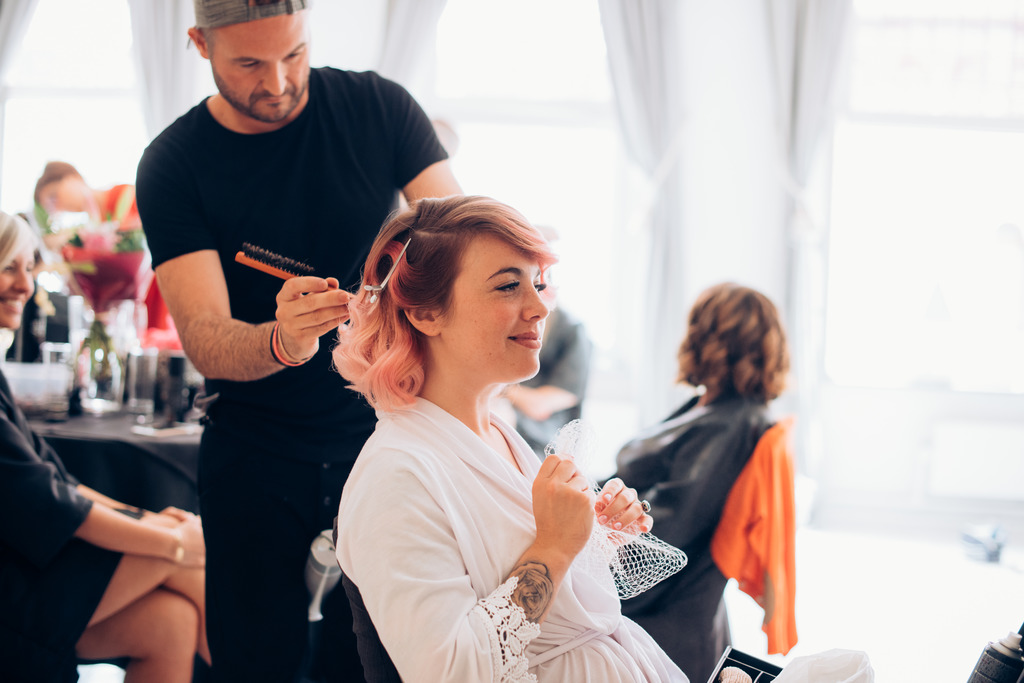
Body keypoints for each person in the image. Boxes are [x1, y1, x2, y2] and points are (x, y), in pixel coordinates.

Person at [134, 1, 461, 680]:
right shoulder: (174, 163)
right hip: (254, 456)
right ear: (200, 44)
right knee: (255, 665)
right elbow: (207, 339)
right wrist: (282, 341)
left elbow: (460, 236)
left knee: (376, 664)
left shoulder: (379, 109)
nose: (279, 82)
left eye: (294, 54)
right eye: (250, 63)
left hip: (385, 445)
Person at [333, 195, 687, 682]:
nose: (540, 307)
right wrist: (556, 546)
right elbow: (452, 671)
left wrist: (595, 535)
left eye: (538, 285)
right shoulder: (395, 478)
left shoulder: (497, 434)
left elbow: (532, 588)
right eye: (508, 286)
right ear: (426, 313)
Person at [0, 211, 209, 682]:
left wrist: (147, 520)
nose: (25, 285)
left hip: (27, 560)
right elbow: (50, 505)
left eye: (28, 268)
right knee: (191, 564)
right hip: (13, 584)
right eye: (8, 267)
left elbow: (59, 481)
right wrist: (174, 544)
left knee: (171, 625)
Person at [611, 282, 797, 683]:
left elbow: (663, 538)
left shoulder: (730, 426)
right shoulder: (711, 408)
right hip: (680, 616)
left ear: (708, 338)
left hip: (661, 625)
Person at [33, 160, 178, 345]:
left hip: (159, 297)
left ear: (71, 177)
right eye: (52, 208)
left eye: (54, 196)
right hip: (123, 318)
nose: (59, 206)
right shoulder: (87, 234)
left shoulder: (127, 196)